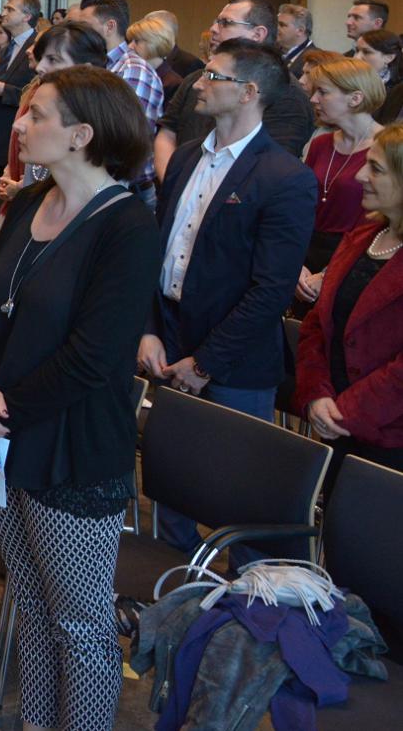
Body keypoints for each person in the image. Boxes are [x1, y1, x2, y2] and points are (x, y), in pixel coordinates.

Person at [0, 66, 161, 731]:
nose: (19, 124)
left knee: (80, 622)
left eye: (36, 114)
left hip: (70, 444)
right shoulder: (28, 201)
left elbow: (94, 357)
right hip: (1, 431)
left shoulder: (127, 226)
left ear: (81, 134)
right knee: (32, 603)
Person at [144, 40, 315, 555]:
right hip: (170, 337)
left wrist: (206, 362)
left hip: (235, 359)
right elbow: (160, 252)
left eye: (213, 76)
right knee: (171, 479)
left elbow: (271, 290)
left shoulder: (285, 177)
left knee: (239, 491)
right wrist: (148, 329)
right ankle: (173, 588)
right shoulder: (186, 157)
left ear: (247, 92)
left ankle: (245, 598)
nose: (199, 83)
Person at [296, 123, 403, 477]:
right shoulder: (363, 234)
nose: (359, 176)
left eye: (376, 168)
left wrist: (347, 411)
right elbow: (317, 322)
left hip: (388, 439)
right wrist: (317, 393)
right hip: (333, 417)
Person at [154, 0, 313, 177]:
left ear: (257, 34)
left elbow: (272, 166)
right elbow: (167, 133)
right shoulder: (195, 79)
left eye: (226, 23)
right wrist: (176, 184)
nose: (213, 29)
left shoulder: (286, 93)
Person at [291, 58, 386, 315]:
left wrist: (328, 274)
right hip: (308, 253)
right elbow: (302, 206)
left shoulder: (386, 148)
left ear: (355, 98)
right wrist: (296, 264)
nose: (313, 99)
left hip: (358, 255)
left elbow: (382, 221)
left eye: (322, 92)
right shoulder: (321, 144)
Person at [0, 21, 108, 213]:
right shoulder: (37, 93)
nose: (40, 67)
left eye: (53, 60)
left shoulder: (98, 119)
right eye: (41, 58)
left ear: (85, 68)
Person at [80, 0, 164, 204]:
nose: (79, 33)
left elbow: (120, 138)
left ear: (109, 26)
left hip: (125, 189)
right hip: (102, 183)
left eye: (85, 26)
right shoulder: (102, 65)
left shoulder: (132, 70)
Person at [0, 0, 42, 171]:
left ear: (27, 16)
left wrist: (4, 90)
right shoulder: (7, 47)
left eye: (10, 9)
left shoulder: (38, 46)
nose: (3, 13)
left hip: (18, 133)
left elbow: (38, 91)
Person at [352, 29, 402, 123]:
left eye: (367, 52)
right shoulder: (348, 81)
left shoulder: (397, 91)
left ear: (389, 57)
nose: (356, 57)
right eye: (357, 51)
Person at [277, 3, 316, 78]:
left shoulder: (317, 60)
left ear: (300, 31)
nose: (276, 28)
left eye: (282, 25)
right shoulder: (271, 53)